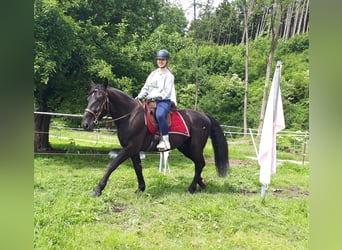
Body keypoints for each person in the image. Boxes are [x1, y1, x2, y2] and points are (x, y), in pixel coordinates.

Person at [136, 49, 175, 151]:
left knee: (160, 115)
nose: (160, 61)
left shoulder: (169, 76)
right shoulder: (153, 74)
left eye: (162, 60)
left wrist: (153, 96)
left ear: (166, 61)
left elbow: (166, 93)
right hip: (150, 101)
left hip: (163, 102)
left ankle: (165, 140)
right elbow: (146, 87)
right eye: (158, 59)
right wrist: (139, 97)